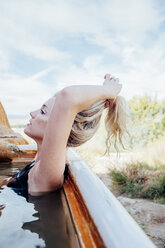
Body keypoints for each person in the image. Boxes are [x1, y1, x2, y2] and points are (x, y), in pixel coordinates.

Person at [7, 74, 128, 194]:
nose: (32, 113)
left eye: (43, 112)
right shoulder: (37, 161)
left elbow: (67, 96)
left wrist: (109, 90)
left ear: (62, 126)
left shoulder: (44, 174)